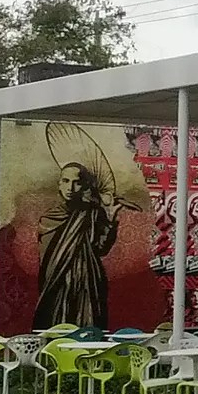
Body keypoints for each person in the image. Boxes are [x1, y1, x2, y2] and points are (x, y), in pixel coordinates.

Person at [34, 123, 131, 329]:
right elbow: (47, 261)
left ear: (84, 185)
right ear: (59, 184)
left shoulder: (92, 213)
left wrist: (110, 220)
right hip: (58, 284)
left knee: (87, 325)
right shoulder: (49, 218)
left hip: (87, 281)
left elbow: (100, 248)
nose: (70, 187)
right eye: (65, 181)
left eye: (76, 182)